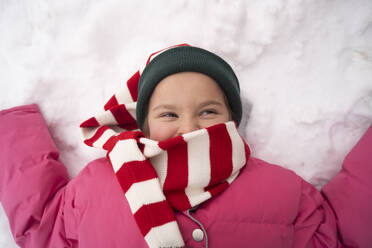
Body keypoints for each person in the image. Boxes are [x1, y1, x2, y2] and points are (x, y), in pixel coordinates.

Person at [0, 44, 371, 248]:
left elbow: (337, 234)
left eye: (208, 111)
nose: (189, 127)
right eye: (168, 115)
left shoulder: (284, 190)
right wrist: (12, 128)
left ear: (232, 120)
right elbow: (46, 229)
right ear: (143, 126)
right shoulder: (100, 182)